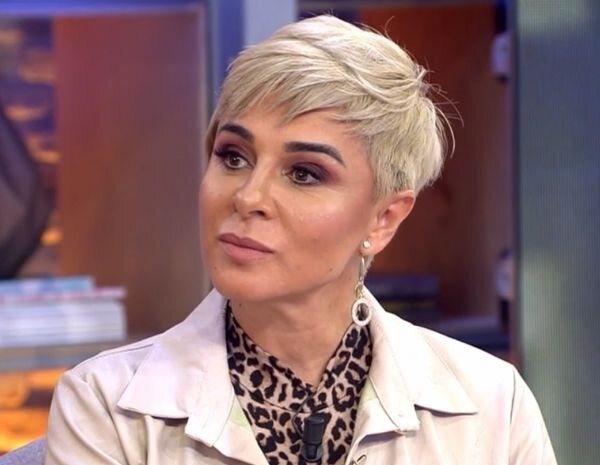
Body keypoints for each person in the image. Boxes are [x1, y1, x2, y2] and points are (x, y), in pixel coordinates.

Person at [44, 15, 557, 465]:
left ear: (383, 219)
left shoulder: (493, 403)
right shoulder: (103, 407)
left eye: (305, 173)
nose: (249, 197)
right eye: (233, 157)